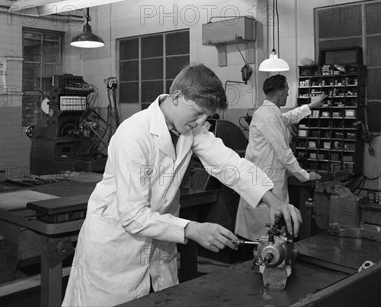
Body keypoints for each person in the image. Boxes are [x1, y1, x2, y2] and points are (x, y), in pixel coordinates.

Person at [62, 64, 302, 307]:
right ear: (176, 97)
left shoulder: (191, 129)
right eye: (197, 113)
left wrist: (273, 200)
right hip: (116, 243)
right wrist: (192, 230)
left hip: (157, 240)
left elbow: (229, 164)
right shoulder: (133, 134)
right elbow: (132, 215)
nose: (200, 122)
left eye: (206, 117)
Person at [235, 74, 326, 241]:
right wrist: (305, 176)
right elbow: (284, 153)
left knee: (269, 233)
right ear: (279, 91)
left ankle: (268, 260)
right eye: (287, 91)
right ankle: (267, 262)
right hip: (265, 180)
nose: (288, 95)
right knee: (267, 234)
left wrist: (311, 106)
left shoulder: (270, 113)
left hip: (266, 178)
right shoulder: (268, 116)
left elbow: (288, 118)